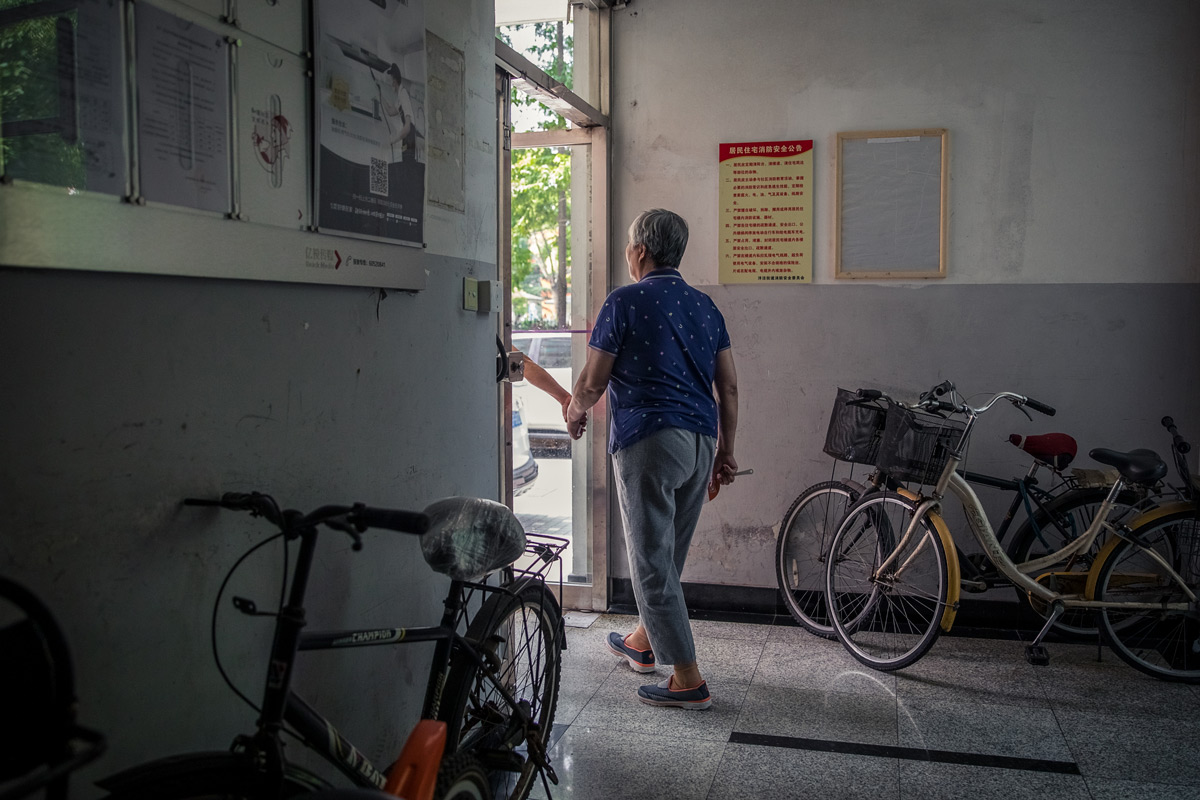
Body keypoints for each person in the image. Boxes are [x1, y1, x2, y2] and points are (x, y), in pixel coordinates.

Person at [566, 209, 739, 710]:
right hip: (700, 441)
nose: (627, 252)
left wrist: (576, 412)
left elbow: (593, 381)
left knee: (650, 559)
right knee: (669, 553)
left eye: (627, 245)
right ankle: (643, 639)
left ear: (640, 251)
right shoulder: (706, 306)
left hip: (650, 440)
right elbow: (726, 385)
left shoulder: (624, 301)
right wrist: (727, 449)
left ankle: (687, 677)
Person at [379, 63, 422, 157]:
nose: (390, 85)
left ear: (394, 81)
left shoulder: (403, 95)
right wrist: (380, 95)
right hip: (407, 138)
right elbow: (390, 112)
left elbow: (407, 128)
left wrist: (392, 141)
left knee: (407, 164)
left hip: (409, 136)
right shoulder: (399, 97)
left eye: (390, 81)